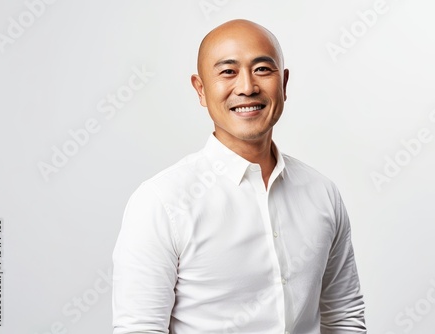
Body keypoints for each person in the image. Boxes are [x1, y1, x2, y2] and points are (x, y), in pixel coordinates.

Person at [112, 19, 366, 334]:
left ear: (284, 84)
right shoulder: (161, 202)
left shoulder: (322, 192)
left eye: (262, 69)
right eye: (228, 72)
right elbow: (140, 328)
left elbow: (344, 317)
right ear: (201, 90)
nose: (247, 87)